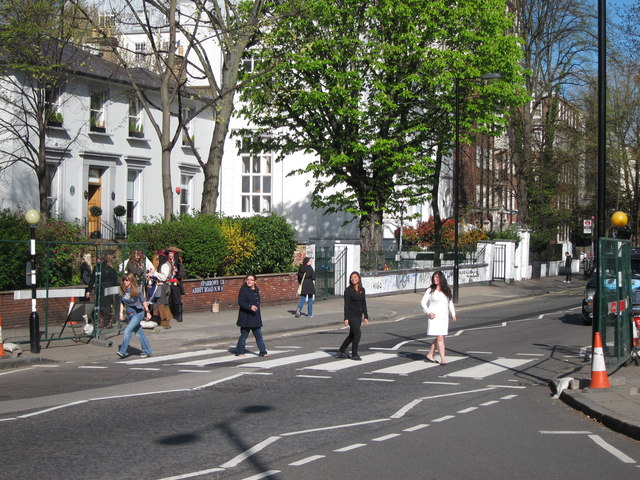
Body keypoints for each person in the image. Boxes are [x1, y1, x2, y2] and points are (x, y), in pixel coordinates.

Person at [421, 271, 456, 365]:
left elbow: (450, 302)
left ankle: (430, 354)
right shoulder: (430, 290)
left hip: (444, 317)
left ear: (441, 278)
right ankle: (443, 359)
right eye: (434, 278)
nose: (435, 279)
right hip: (434, 317)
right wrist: (429, 312)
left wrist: (453, 314)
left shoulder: (446, 290)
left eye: (437, 277)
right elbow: (423, 303)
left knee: (440, 337)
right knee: (440, 337)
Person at [117, 274, 153, 359]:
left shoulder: (136, 290)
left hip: (138, 313)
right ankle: (147, 351)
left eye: (127, 280)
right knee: (139, 333)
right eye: (124, 280)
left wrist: (147, 312)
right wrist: (121, 314)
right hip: (129, 315)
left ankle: (122, 351)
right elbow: (122, 302)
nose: (125, 282)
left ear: (131, 281)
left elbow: (143, 301)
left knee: (127, 331)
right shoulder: (123, 290)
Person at [336, 271, 369, 361]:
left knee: (352, 335)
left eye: (355, 277)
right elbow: (346, 305)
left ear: (359, 278)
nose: (353, 279)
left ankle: (341, 350)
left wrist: (366, 316)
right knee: (357, 334)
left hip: (359, 315)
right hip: (351, 315)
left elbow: (363, 303)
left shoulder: (362, 290)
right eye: (352, 278)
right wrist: (346, 318)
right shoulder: (348, 290)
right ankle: (354, 354)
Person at [234, 274, 269, 357]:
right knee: (244, 335)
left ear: (255, 282)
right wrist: (250, 307)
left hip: (255, 316)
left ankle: (263, 352)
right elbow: (241, 302)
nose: (249, 281)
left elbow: (257, 301)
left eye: (251, 280)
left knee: (259, 335)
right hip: (246, 316)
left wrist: (255, 307)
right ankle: (240, 351)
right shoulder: (243, 290)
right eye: (248, 279)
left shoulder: (256, 290)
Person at [85, 249, 119, 329]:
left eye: (100, 258)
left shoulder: (109, 268)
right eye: (97, 258)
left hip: (108, 290)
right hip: (99, 290)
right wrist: (89, 291)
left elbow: (115, 280)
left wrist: (116, 290)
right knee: (99, 305)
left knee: (107, 306)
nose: (98, 260)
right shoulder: (96, 268)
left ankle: (108, 320)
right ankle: (101, 321)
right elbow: (92, 279)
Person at [149, 250, 173, 329]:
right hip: (166, 286)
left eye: (159, 258)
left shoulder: (164, 266)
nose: (157, 260)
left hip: (163, 286)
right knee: (164, 303)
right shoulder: (168, 264)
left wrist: (154, 273)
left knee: (161, 304)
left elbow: (163, 277)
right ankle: (167, 321)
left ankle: (165, 323)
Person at [167, 246, 187, 322]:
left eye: (171, 253)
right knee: (168, 300)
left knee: (177, 300)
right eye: (169, 253)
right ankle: (170, 314)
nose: (170, 255)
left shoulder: (178, 263)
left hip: (175, 283)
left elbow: (182, 272)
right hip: (168, 283)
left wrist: (179, 275)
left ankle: (179, 315)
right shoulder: (166, 262)